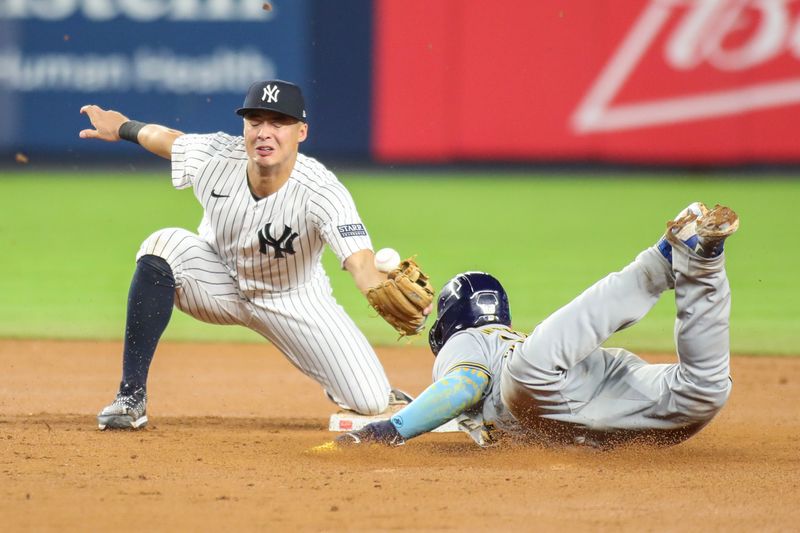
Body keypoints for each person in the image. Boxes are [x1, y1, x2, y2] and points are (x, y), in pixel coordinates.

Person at [79, 80, 427, 430]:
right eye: (255, 121)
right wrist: (123, 127)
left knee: (370, 400)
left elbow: (361, 262)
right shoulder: (217, 156)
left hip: (293, 300)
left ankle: (355, 383)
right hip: (215, 282)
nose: (265, 133)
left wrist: (379, 290)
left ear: (301, 131)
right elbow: (165, 138)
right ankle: (130, 396)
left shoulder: (323, 192)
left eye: (278, 123)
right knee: (162, 245)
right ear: (244, 126)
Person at [336, 202, 739, 449]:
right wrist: (413, 406)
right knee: (703, 390)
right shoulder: (505, 338)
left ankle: (661, 259)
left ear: (449, 323)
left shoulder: (468, 339)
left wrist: (392, 428)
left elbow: (464, 387)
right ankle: (703, 262)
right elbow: (450, 408)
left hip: (539, 385)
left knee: (531, 369)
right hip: (606, 386)